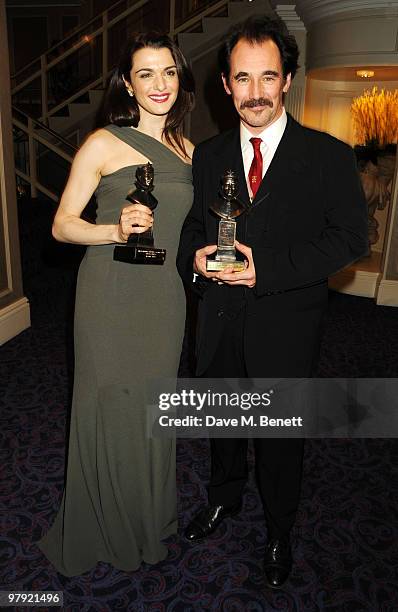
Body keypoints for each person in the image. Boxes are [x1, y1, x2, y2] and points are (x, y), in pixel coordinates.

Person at [177, 15, 368, 588]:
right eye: (242, 78)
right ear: (225, 85)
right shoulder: (208, 156)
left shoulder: (328, 156)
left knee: (281, 440)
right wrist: (194, 256)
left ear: (287, 80)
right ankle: (224, 499)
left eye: (267, 77)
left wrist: (269, 271)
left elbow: (350, 239)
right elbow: (191, 227)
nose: (255, 92)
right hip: (217, 322)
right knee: (224, 426)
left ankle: (281, 529)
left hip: (285, 326)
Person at [37, 32, 195, 576]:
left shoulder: (193, 153)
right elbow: (60, 226)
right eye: (145, 73)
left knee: (152, 411)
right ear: (128, 83)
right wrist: (113, 229)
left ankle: (147, 518)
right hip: (108, 295)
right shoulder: (104, 142)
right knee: (110, 408)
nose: (159, 84)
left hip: (164, 299)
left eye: (168, 72)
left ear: (181, 79)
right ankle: (101, 522)